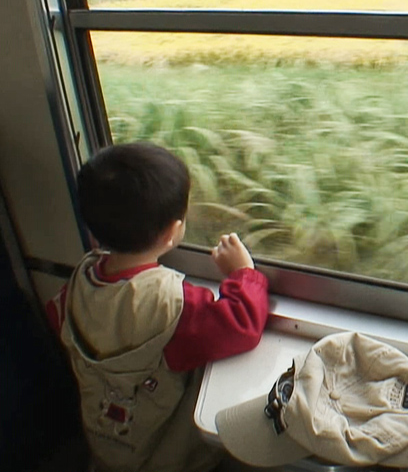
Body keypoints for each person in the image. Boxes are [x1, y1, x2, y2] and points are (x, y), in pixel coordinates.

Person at [45, 141, 269, 472]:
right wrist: (242, 273)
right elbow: (240, 324)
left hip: (106, 449)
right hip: (166, 459)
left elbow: (56, 317)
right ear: (173, 232)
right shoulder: (171, 303)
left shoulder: (81, 279)